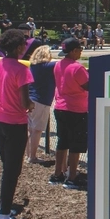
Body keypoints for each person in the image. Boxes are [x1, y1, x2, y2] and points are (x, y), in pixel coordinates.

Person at [0, 29, 34, 219]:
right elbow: (25, 103)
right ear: (19, 47)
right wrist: (30, 105)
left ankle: (5, 209)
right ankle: (3, 216)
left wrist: (1, 101)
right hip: (15, 123)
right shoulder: (21, 69)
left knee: (7, 167)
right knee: (12, 170)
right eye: (24, 45)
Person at [51, 38, 89, 190]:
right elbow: (88, 86)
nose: (81, 52)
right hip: (75, 109)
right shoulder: (77, 68)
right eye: (80, 49)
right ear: (74, 51)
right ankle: (72, 177)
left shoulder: (58, 65)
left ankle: (57, 174)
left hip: (60, 107)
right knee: (75, 144)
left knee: (62, 142)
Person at [26, 46, 56, 164]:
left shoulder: (32, 66)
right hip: (41, 101)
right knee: (37, 130)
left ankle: (28, 155)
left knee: (30, 129)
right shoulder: (48, 66)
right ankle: (32, 157)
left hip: (30, 99)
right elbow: (62, 63)